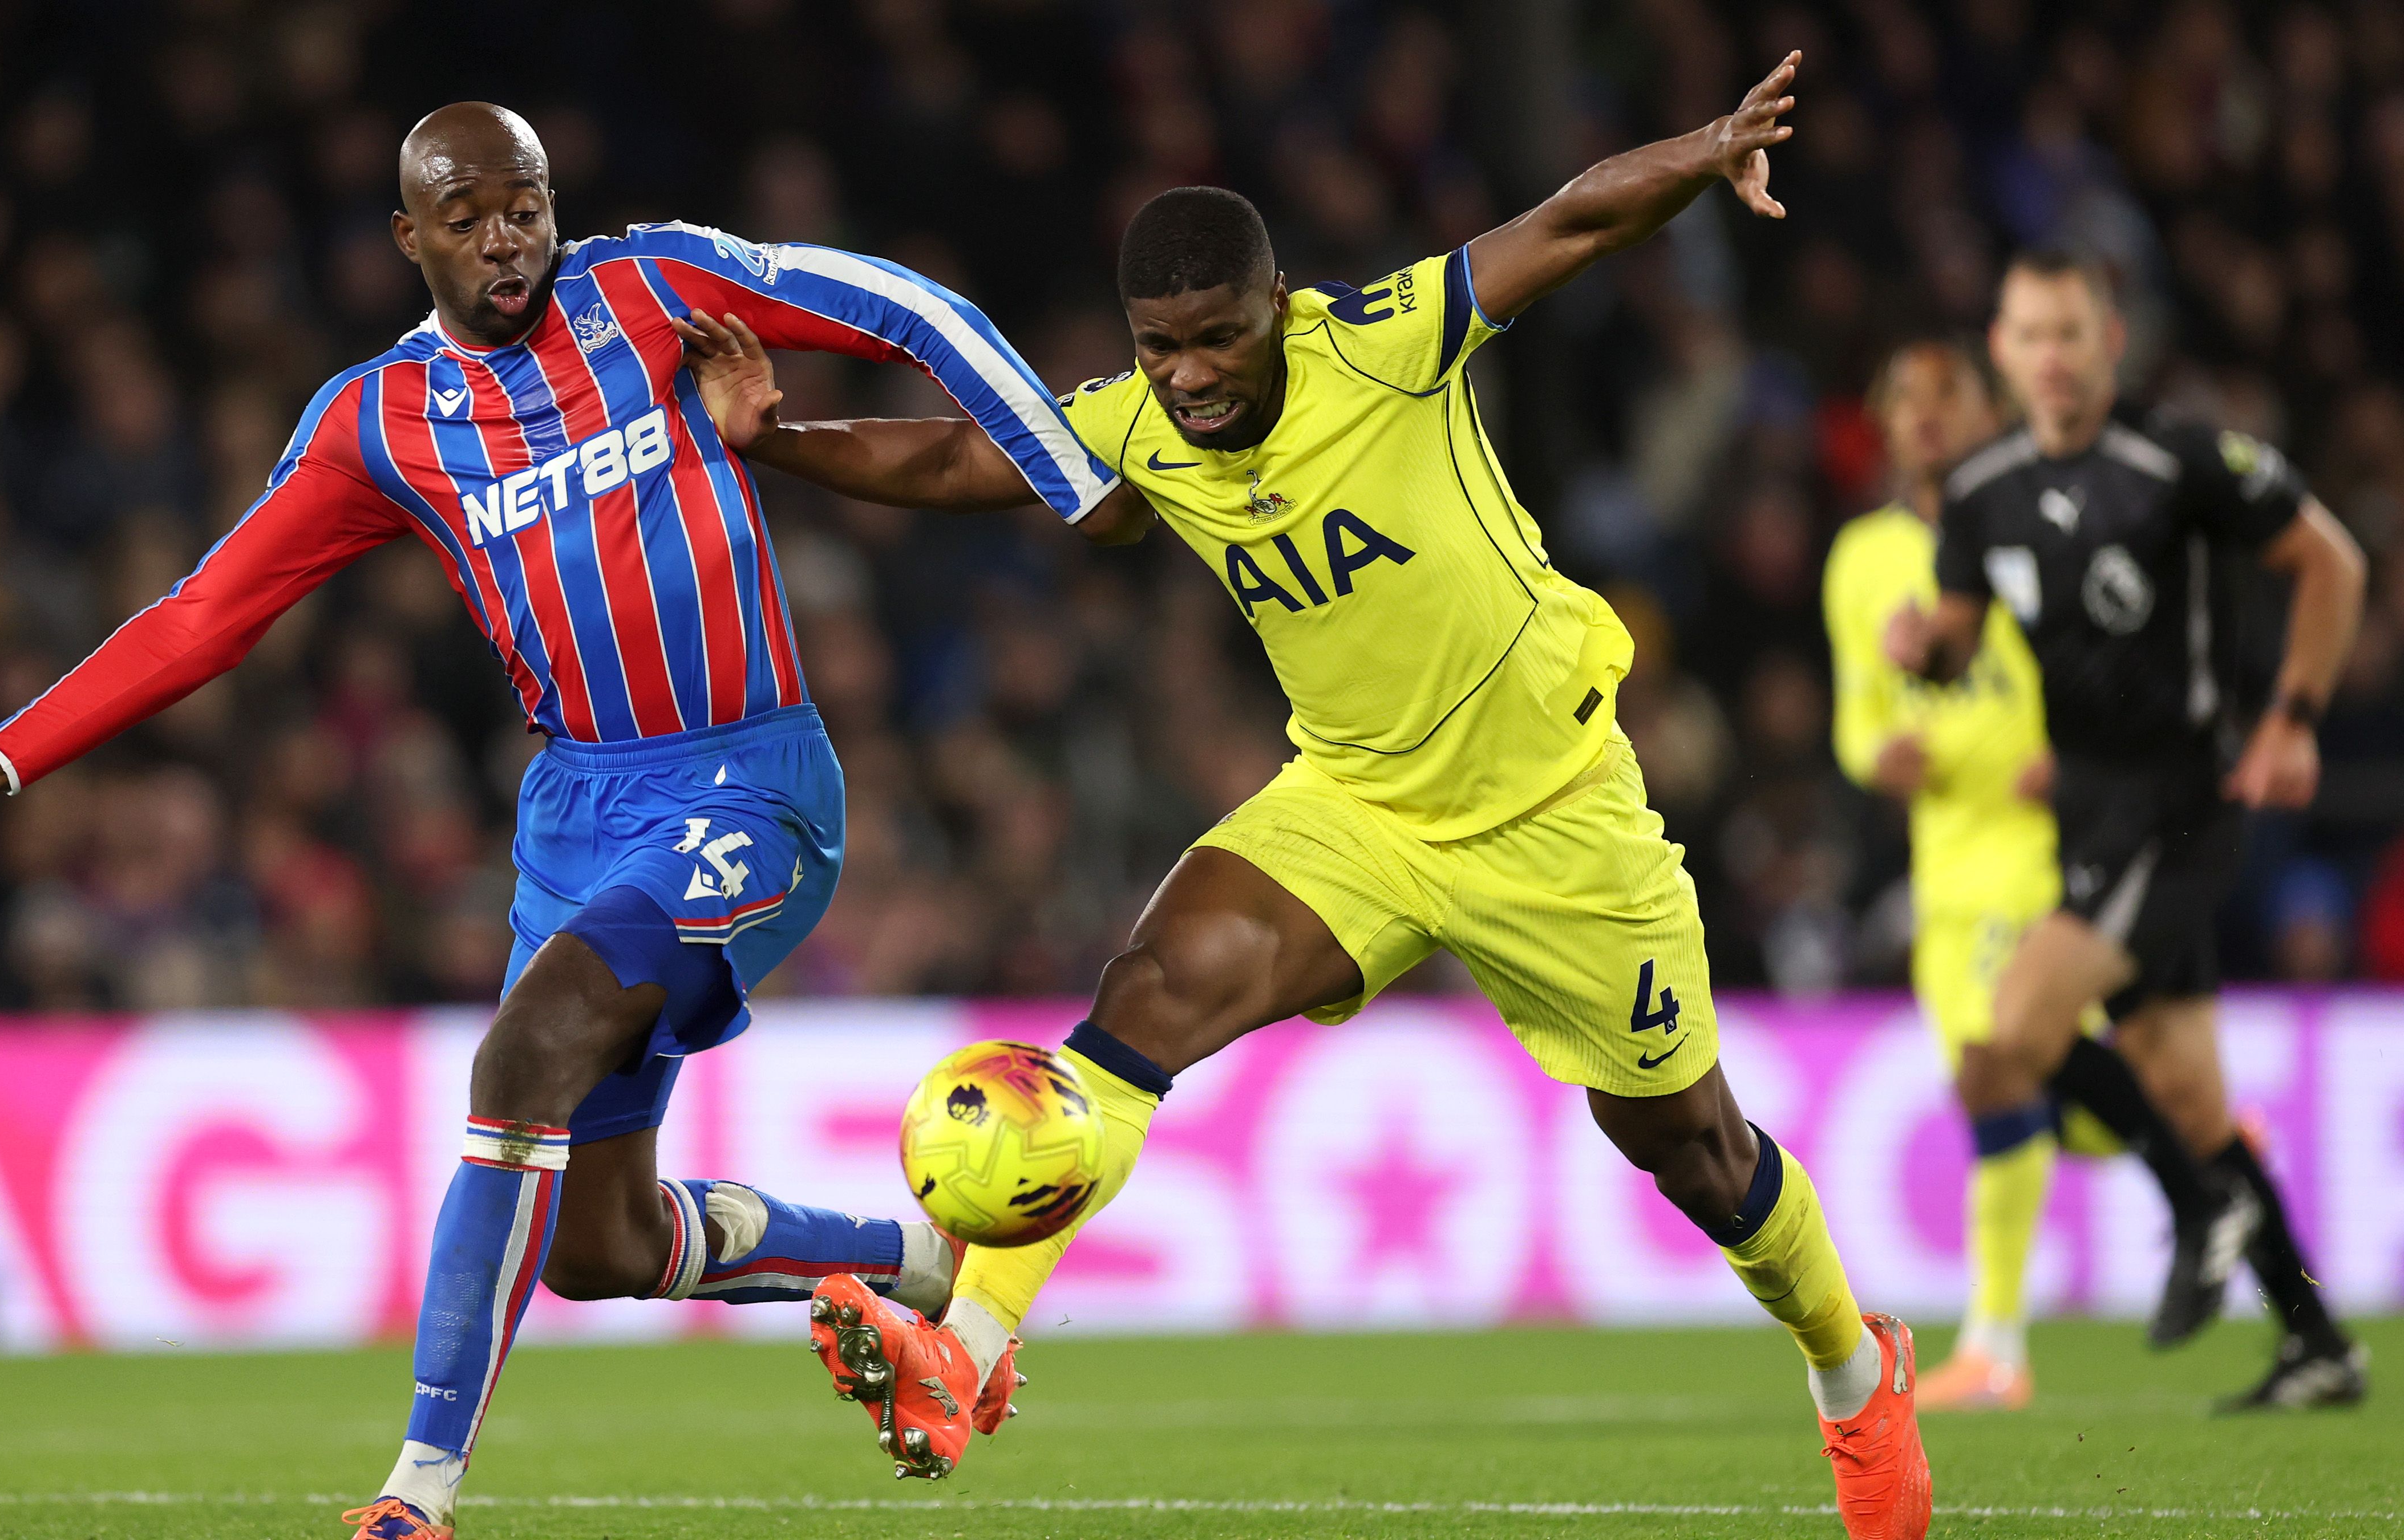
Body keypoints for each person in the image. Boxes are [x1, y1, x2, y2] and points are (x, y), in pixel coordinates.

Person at [681, 52, 1933, 1537]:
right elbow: (967, 452)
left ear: (1274, 309)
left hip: (1554, 809)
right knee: (1141, 1000)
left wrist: (1704, 150)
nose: (1190, 376)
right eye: (1162, 348)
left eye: (1215, 340)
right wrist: (775, 442)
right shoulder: (1142, 425)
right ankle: (970, 1350)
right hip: (1353, 807)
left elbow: (1569, 222)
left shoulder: (1387, 343)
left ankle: (1856, 1372)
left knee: (1693, 1150)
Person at [0, 103, 1113, 1539]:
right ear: (408, 236)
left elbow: (898, 305)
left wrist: (1074, 477)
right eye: (469, 215)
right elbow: (203, 614)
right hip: (577, 808)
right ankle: (919, 1259)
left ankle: (414, 1491)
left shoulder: (651, 286)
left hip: (748, 776)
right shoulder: (375, 421)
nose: (508, 237)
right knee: (598, 1245)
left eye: (527, 204)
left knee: (523, 1052)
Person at [1888, 250, 2370, 1411]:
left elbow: (2333, 563)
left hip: (2183, 802)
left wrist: (2293, 718)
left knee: (2017, 1026)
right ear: (2000, 353)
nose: (2051, 359)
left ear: (2112, 341)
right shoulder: (1985, 487)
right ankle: (2316, 1342)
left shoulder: (2180, 459)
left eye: (2071, 334)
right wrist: (1931, 652)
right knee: (2190, 1091)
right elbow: (1962, 628)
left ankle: (2199, 1202)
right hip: (2087, 815)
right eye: (2029, 337)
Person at [1824, 338, 2119, 1409]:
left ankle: (1997, 1346)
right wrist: (1874, 757)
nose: (1928, 414)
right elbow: (1856, 716)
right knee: (2009, 1090)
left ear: (1988, 412)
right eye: (1906, 396)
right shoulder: (1860, 559)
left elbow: (2114, 666)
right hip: (1942, 869)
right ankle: (2194, 1132)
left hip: (2041, 855)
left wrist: (2079, 756)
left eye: (1949, 395)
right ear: (1886, 422)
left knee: (2002, 1066)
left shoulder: (2046, 525)